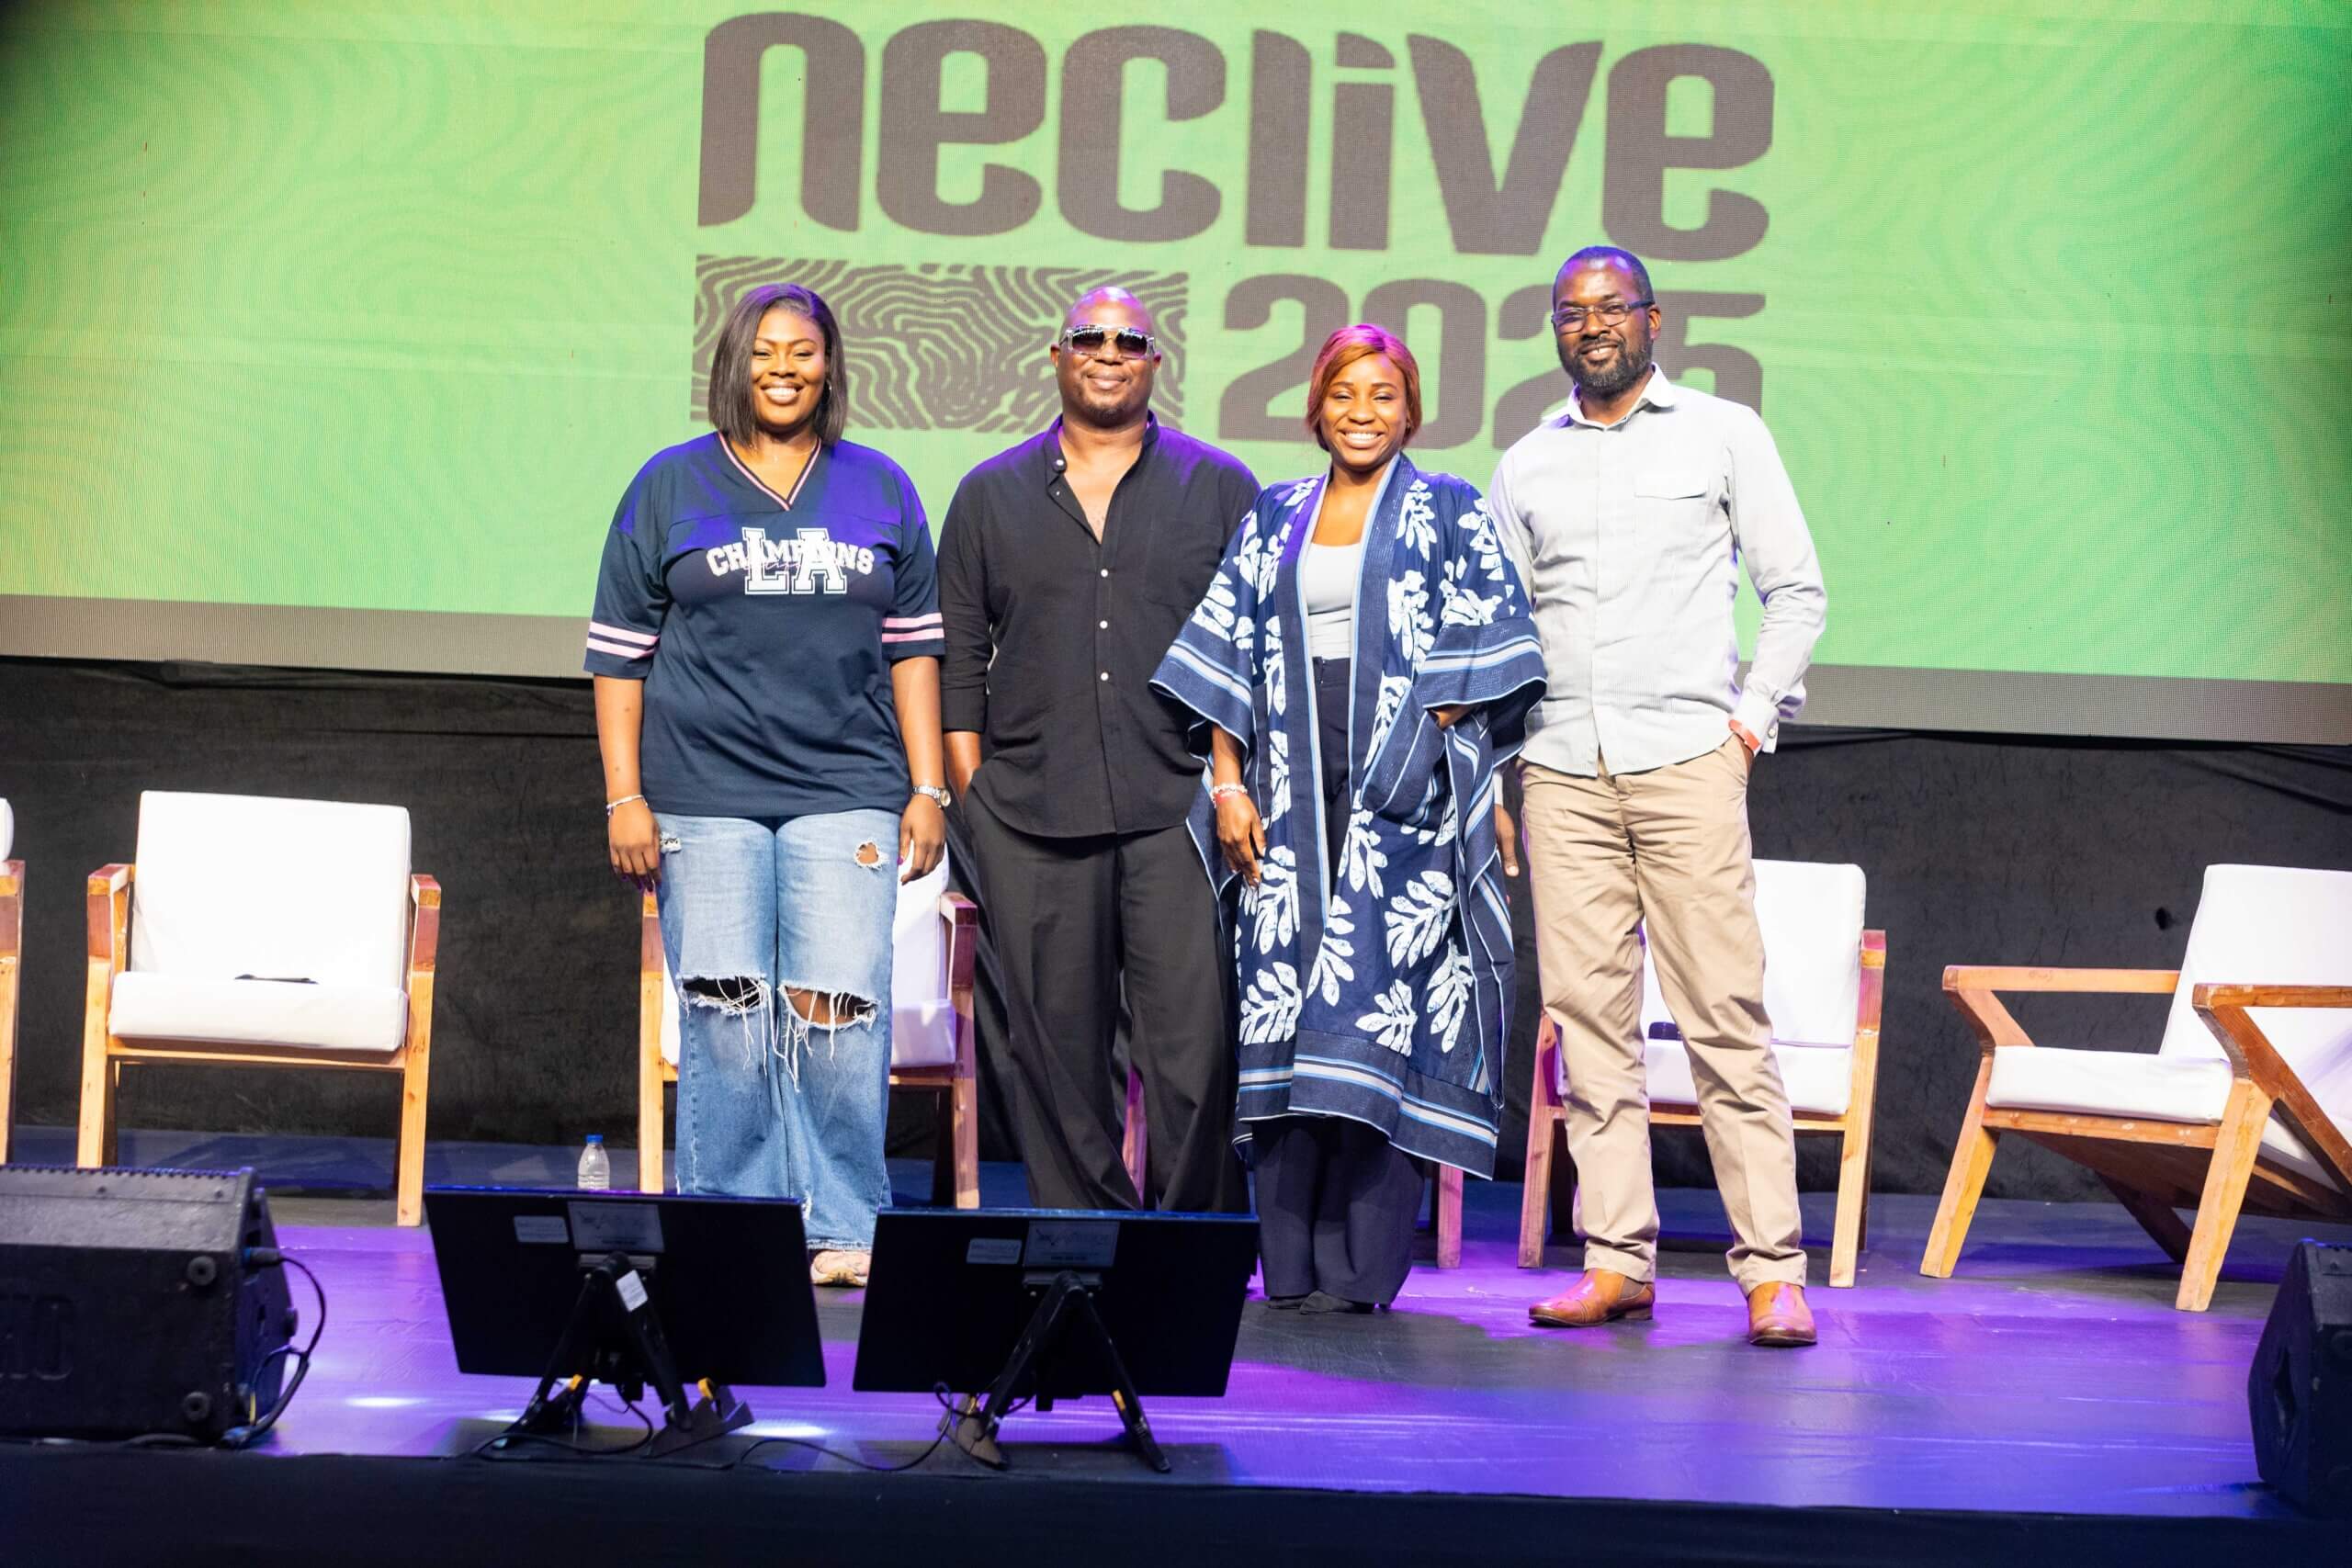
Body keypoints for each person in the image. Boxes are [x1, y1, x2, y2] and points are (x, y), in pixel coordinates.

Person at [1153, 325, 1545, 1312]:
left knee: (1380, 1002)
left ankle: (1362, 1269)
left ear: (1410, 411)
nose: (1362, 413)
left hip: (1406, 788)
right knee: (1284, 1000)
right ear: (1316, 408)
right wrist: (1228, 784)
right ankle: (1287, 1266)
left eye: (1382, 395)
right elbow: (1228, 652)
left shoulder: (1448, 506)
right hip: (1285, 781)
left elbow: (1493, 641)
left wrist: (1432, 746)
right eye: (1343, 394)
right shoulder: (1275, 514)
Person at [1490, 246, 1828, 1347]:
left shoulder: (1723, 432)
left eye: (1611, 308)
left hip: (1686, 760)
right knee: (1589, 1027)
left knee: (1724, 1017)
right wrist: (1503, 763)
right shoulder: (1525, 464)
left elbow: (1795, 592)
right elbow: (1504, 634)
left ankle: (1772, 1271)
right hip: (1560, 769)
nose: (1591, 326)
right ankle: (1615, 1260)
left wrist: (1748, 722)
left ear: (1652, 319)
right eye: (1570, 312)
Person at [585, 282, 947, 1290]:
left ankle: (846, 1226)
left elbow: (915, 651)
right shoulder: (669, 484)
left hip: (848, 784)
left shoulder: (880, 486)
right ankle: (735, 1229)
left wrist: (929, 788)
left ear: (830, 366)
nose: (783, 369)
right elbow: (617, 657)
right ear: (733, 363)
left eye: (803, 352)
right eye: (763, 352)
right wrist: (625, 797)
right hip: (702, 792)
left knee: (841, 1015)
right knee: (727, 1018)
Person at [937, 288, 1259, 1213]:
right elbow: (960, 658)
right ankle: (1085, 1240)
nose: (1108, 352)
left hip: (1176, 807)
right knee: (1053, 1056)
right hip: (1030, 813)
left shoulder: (1220, 488)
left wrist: (1229, 784)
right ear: (1057, 355)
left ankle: (1187, 1246)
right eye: (1089, 337)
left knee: (1196, 1052)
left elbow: (1248, 652)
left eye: (1129, 340)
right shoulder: (989, 493)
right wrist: (974, 798)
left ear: (1155, 362)